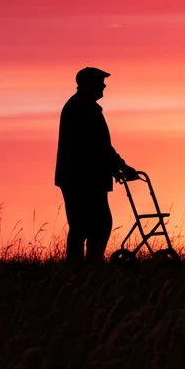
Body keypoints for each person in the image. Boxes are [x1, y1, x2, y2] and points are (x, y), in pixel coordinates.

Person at [55, 66, 139, 262]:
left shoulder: (81, 106)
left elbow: (98, 147)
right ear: (88, 84)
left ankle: (85, 264)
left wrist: (114, 168)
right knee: (94, 223)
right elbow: (98, 146)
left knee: (85, 223)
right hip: (83, 177)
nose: (104, 86)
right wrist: (121, 167)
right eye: (100, 82)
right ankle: (89, 264)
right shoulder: (84, 108)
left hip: (80, 176)